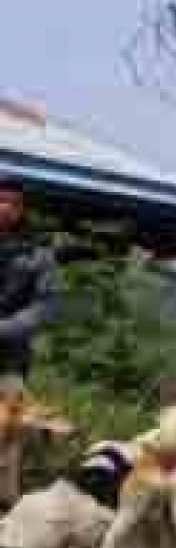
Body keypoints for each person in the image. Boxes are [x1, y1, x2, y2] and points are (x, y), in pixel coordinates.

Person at [0, 177, 58, 506]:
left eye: (12, 202)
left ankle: (5, 513)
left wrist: (6, 328)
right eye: (0, 199)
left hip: (9, 359)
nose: (4, 207)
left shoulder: (37, 251)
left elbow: (46, 306)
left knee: (8, 438)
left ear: (22, 209)